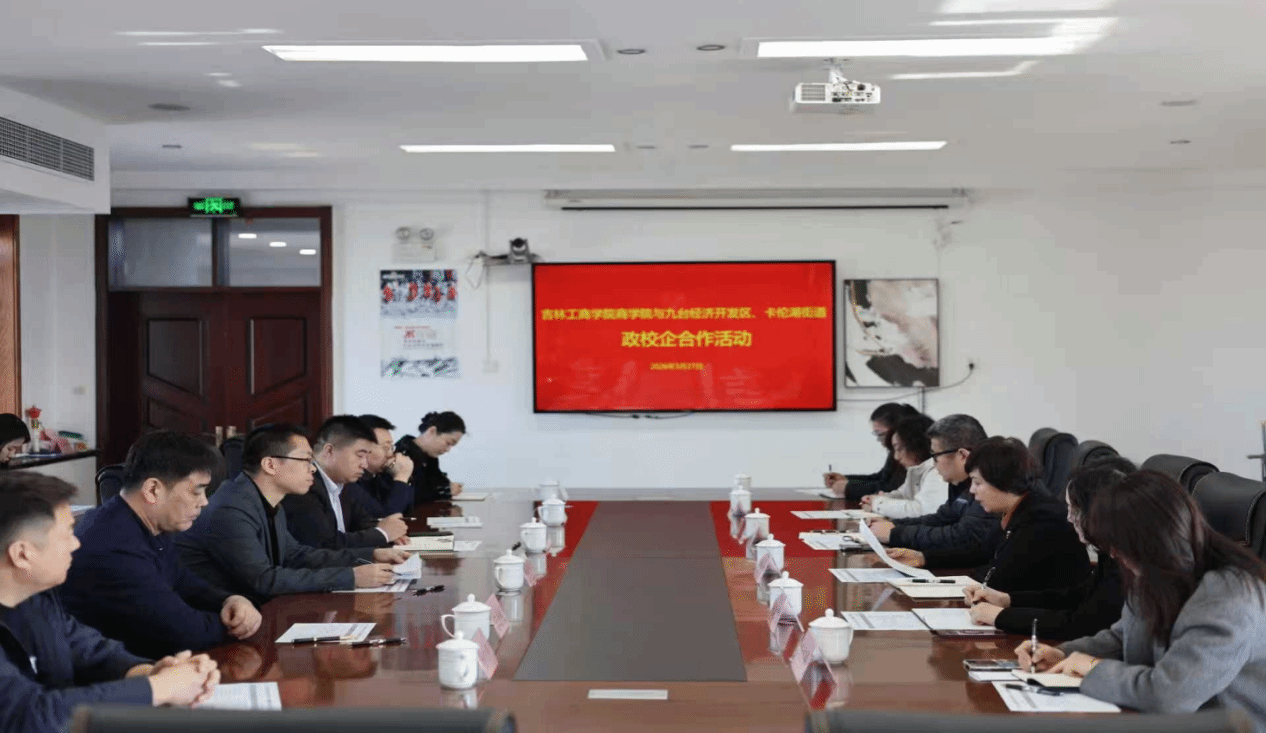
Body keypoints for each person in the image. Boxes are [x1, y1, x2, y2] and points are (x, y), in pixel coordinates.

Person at [1017, 471, 1266, 729]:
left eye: (1120, 545)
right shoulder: (1157, 573)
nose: (1114, 553)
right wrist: (1062, 654)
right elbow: (1122, 637)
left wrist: (1091, 666)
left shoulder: (1229, 598)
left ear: (1152, 540)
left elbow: (1169, 695)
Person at [0, 471, 219, 733]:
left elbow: (90, 650)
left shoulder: (35, 597)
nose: (76, 544)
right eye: (67, 535)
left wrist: (149, 672)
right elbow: (28, 714)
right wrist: (160, 688)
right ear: (22, 554)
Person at [60, 431, 262, 659]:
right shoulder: (113, 547)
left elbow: (184, 582)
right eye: (196, 491)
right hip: (118, 672)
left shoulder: (142, 523)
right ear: (153, 490)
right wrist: (237, 622)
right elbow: (186, 632)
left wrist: (231, 600)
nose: (204, 502)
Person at [175, 424, 407, 603]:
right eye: (305, 460)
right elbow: (264, 580)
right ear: (270, 465)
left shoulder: (266, 500)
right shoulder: (231, 509)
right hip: (216, 620)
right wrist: (351, 577)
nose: (313, 468)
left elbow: (296, 555)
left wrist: (370, 555)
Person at [884, 437, 1089, 592]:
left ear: (1002, 481)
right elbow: (982, 551)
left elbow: (997, 579)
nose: (972, 491)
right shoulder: (1017, 509)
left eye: (977, 482)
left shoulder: (1040, 521)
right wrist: (924, 558)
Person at [963, 457, 1133, 639]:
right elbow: (1078, 595)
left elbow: (1084, 623)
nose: (1069, 518)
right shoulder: (1109, 552)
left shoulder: (1127, 561)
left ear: (1098, 512)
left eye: (1074, 510)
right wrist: (1007, 600)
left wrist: (1001, 617)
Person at [868, 414, 1000, 568]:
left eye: (935, 456)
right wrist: (893, 525)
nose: (933, 463)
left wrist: (896, 533)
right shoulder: (960, 483)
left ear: (962, 455)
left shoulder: (990, 484)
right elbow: (941, 518)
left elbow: (962, 537)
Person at [282, 416, 407, 550]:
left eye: (367, 457)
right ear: (329, 451)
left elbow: (363, 523)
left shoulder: (345, 485)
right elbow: (325, 544)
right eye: (360, 456)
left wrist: (388, 531)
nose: (364, 465)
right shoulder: (304, 487)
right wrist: (382, 534)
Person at [823, 403, 919, 501]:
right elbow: (880, 478)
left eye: (879, 434)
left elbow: (891, 488)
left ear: (895, 430)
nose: (878, 439)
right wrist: (846, 479)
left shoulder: (912, 454)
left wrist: (849, 488)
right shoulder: (894, 451)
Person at [861, 414, 947, 519]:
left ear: (916, 445)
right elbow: (903, 495)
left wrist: (878, 503)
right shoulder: (916, 470)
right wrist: (880, 498)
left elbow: (921, 510)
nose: (896, 457)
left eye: (899, 449)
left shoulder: (937, 471)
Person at [344, 414, 415, 517]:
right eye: (386, 448)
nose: (390, 454)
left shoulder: (380, 477)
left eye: (392, 448)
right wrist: (401, 477)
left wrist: (403, 478)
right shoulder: (349, 482)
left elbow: (408, 512)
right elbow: (384, 520)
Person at [395, 412, 466, 502]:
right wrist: (445, 491)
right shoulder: (402, 454)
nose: (448, 450)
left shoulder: (430, 457)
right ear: (432, 431)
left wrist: (450, 486)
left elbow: (438, 481)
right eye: (448, 443)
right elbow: (408, 493)